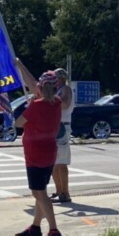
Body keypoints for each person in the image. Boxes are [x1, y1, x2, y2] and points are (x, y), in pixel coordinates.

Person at [12, 60, 64, 236]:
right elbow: (34, 85)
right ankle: (35, 226)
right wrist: (20, 66)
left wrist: (31, 103)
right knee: (41, 191)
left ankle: (54, 229)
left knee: (38, 193)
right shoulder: (57, 103)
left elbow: (18, 123)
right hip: (49, 153)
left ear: (40, 88)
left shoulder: (36, 105)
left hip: (35, 155)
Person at [49, 67, 74, 203]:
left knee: (61, 163)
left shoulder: (66, 89)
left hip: (62, 127)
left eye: (55, 78)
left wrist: (50, 98)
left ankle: (65, 193)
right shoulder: (58, 90)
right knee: (53, 163)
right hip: (56, 127)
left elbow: (64, 104)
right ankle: (59, 191)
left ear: (61, 78)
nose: (54, 81)